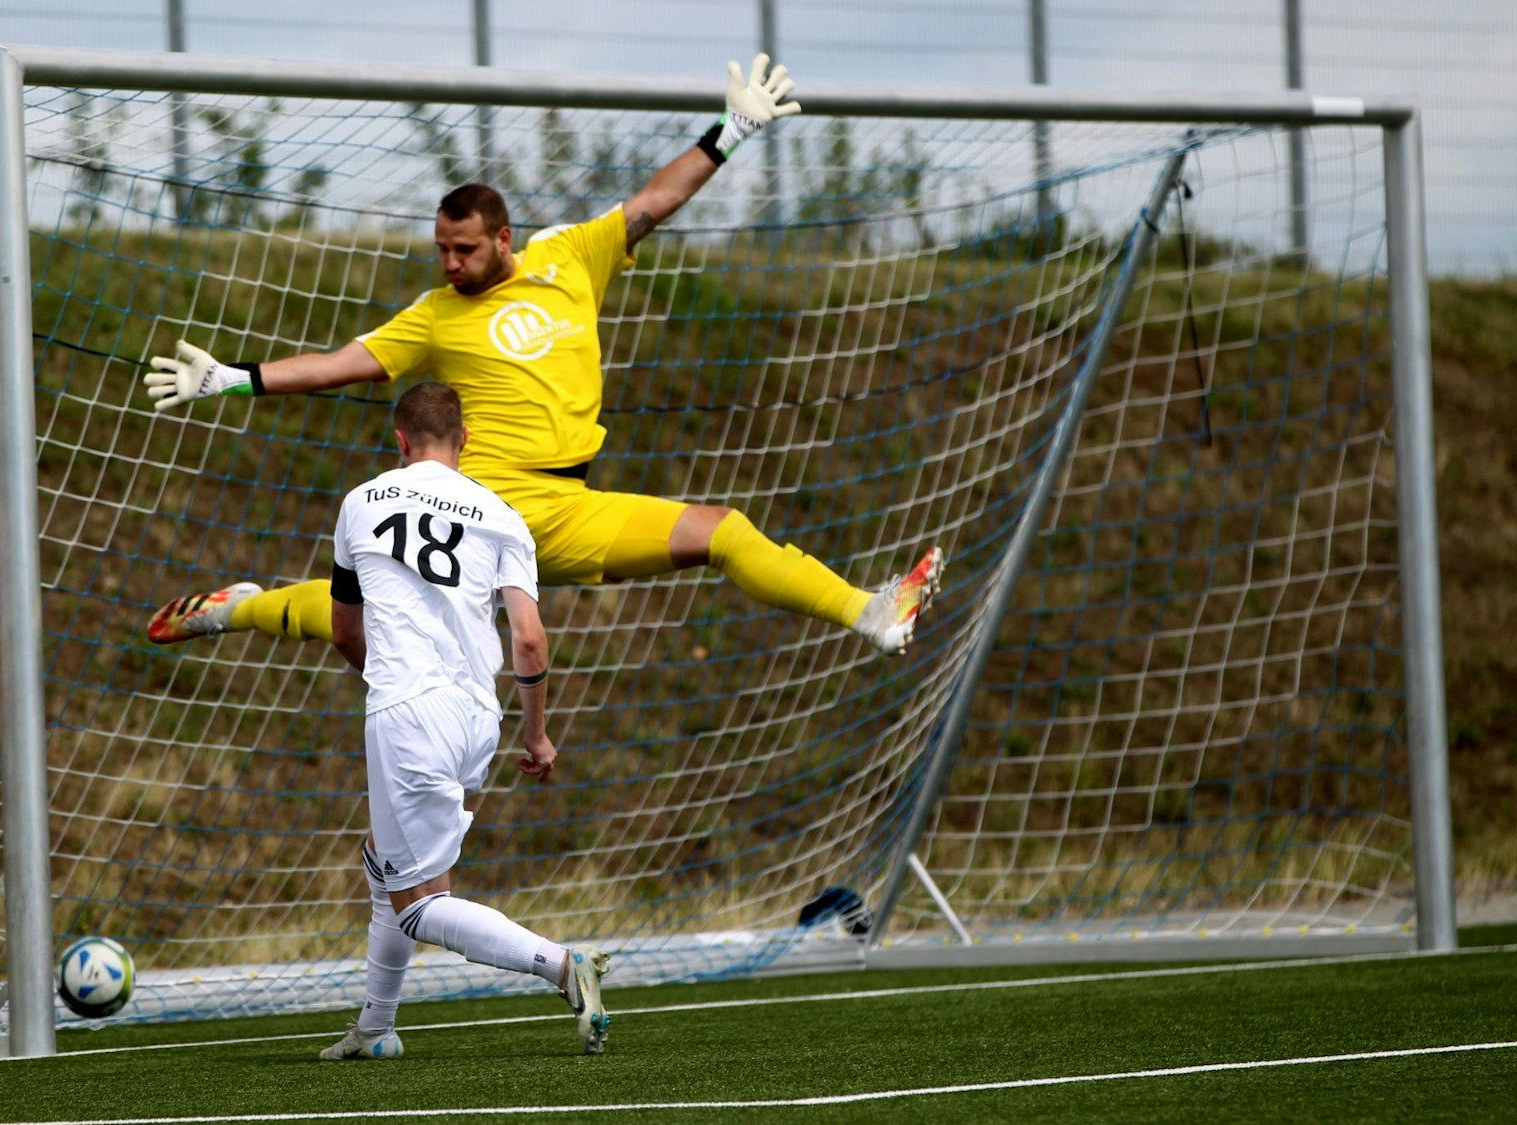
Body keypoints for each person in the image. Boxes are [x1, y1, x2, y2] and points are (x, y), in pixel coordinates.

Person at [144, 53, 944, 656]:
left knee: (725, 532)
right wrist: (232, 378)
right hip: (488, 510)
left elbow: (652, 204)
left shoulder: (571, 256)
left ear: (503, 239)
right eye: (439, 250)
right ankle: (239, 606)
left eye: (462, 250)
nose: (448, 265)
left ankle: (869, 613)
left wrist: (730, 132)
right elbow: (339, 362)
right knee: (376, 617)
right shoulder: (433, 316)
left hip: (569, 509)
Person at [317, 381, 609, 1060]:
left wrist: (387, 680)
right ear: (465, 440)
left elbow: (341, 629)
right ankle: (376, 1027)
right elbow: (529, 640)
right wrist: (535, 732)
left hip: (405, 709)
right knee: (386, 862)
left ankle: (566, 965)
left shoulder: (360, 503)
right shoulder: (501, 513)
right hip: (478, 713)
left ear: (400, 441)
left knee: (418, 902)